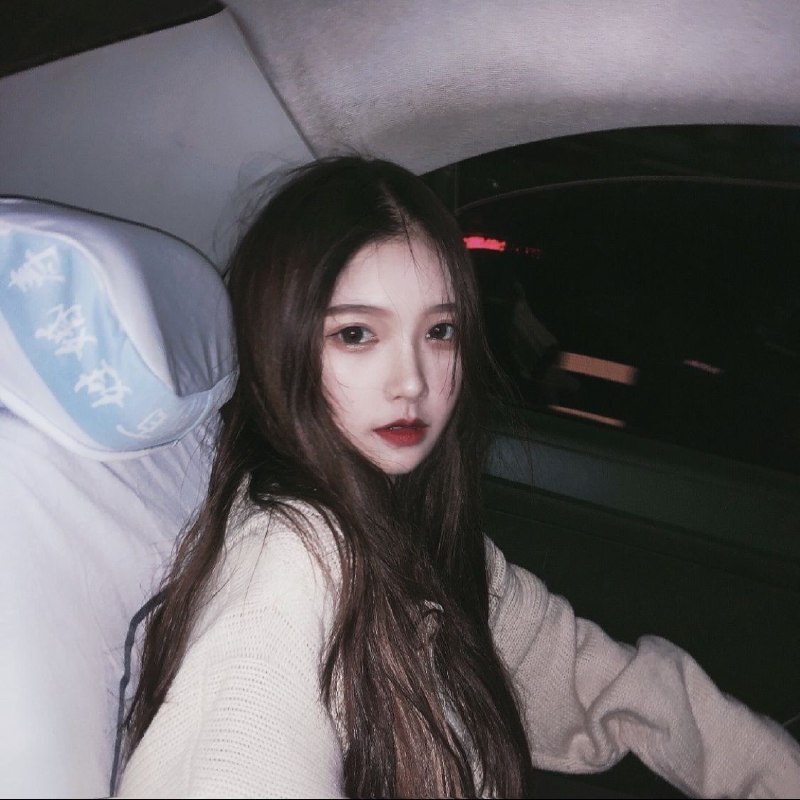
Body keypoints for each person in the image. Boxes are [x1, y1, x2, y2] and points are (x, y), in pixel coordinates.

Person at [115, 155, 800, 799]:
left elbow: (601, 679)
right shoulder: (292, 568)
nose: (412, 381)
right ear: (279, 344)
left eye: (439, 332)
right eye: (356, 334)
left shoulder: (413, 527)